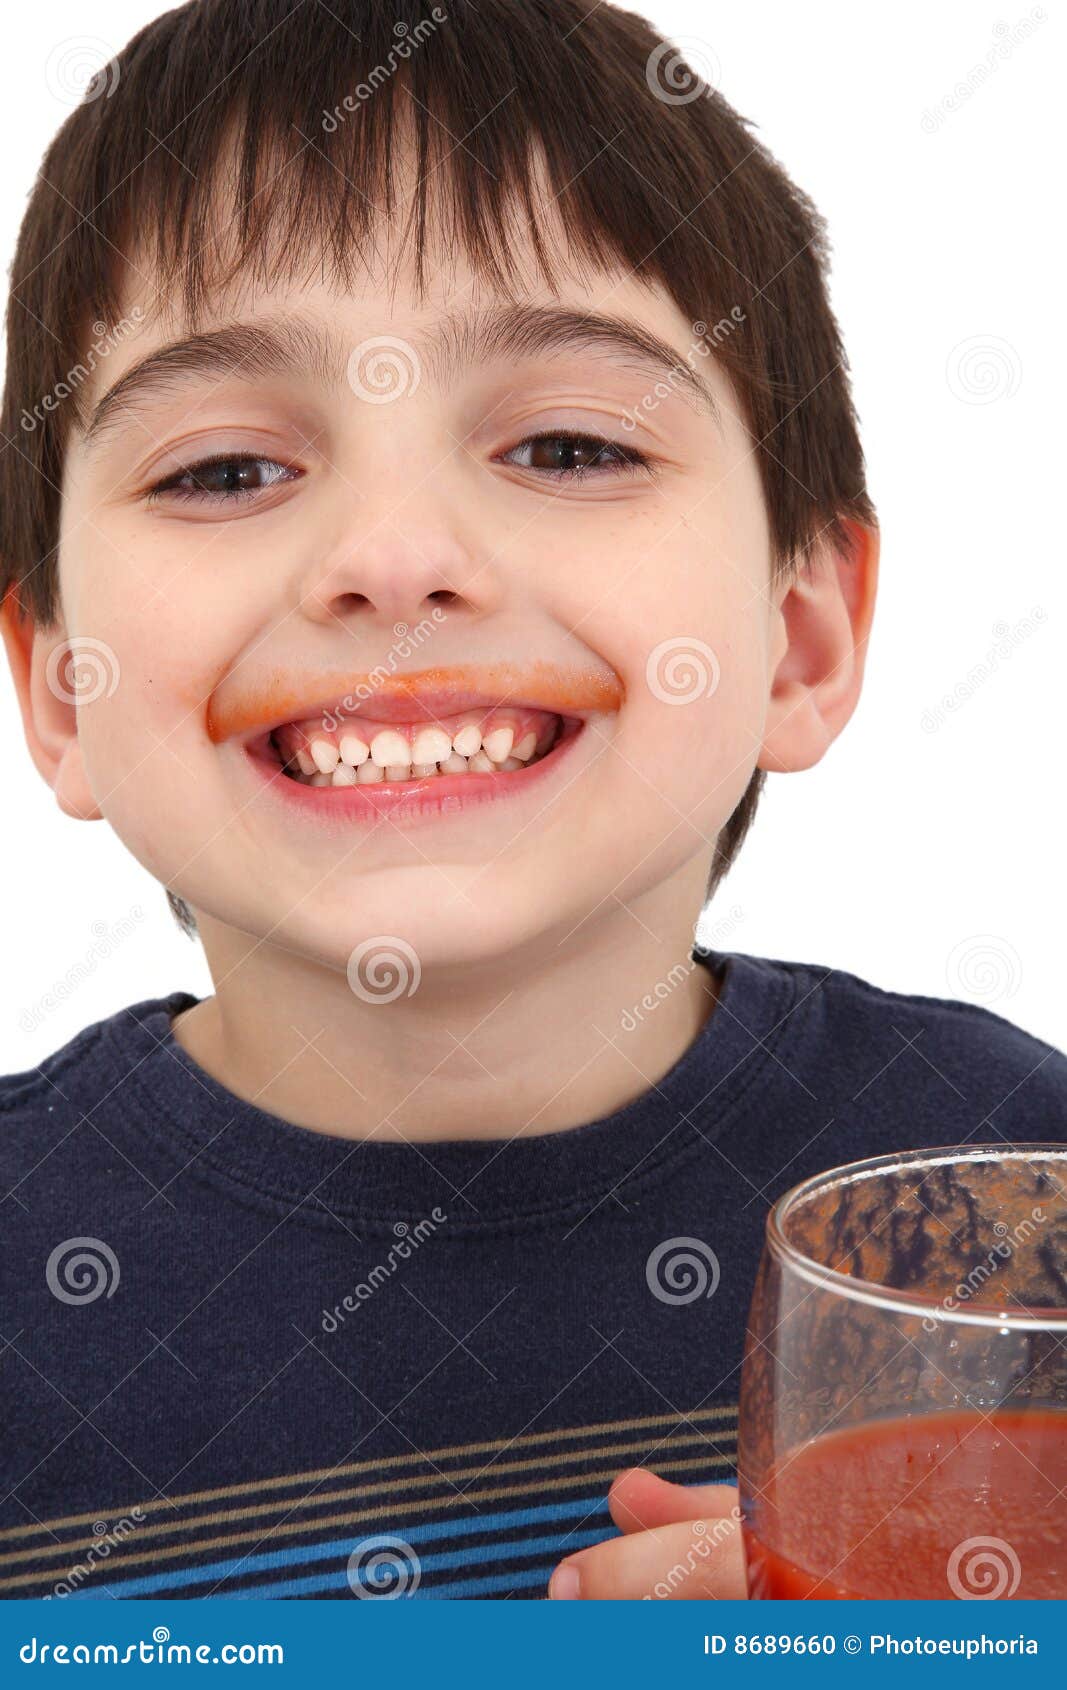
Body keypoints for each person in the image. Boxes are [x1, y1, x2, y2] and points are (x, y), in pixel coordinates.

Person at [1, 0, 1061, 1602]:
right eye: (224, 469)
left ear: (801, 636)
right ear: (52, 684)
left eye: (568, 443)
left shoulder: (1010, 1197)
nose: (393, 556)